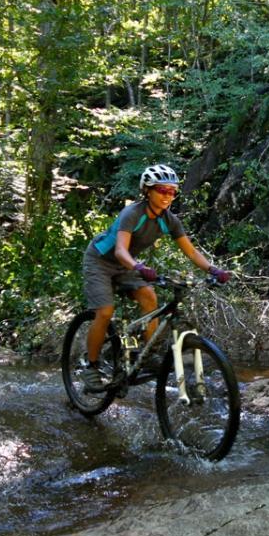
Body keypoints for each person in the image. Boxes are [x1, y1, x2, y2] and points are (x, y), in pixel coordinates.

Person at [79, 164, 230, 390]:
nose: (167, 196)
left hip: (127, 264)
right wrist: (139, 267)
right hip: (100, 261)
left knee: (149, 296)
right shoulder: (132, 213)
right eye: (161, 190)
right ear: (147, 190)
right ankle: (91, 366)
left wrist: (213, 270)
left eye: (172, 191)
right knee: (105, 312)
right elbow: (120, 250)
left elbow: (191, 251)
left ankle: (146, 355)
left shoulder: (169, 220)